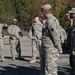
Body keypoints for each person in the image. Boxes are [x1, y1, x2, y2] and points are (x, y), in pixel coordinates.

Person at [40, 4, 62, 75]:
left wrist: (59, 47)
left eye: (42, 11)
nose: (41, 13)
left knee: (50, 71)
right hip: (47, 49)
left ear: (44, 12)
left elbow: (55, 36)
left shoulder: (51, 21)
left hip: (51, 51)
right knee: (45, 70)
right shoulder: (48, 21)